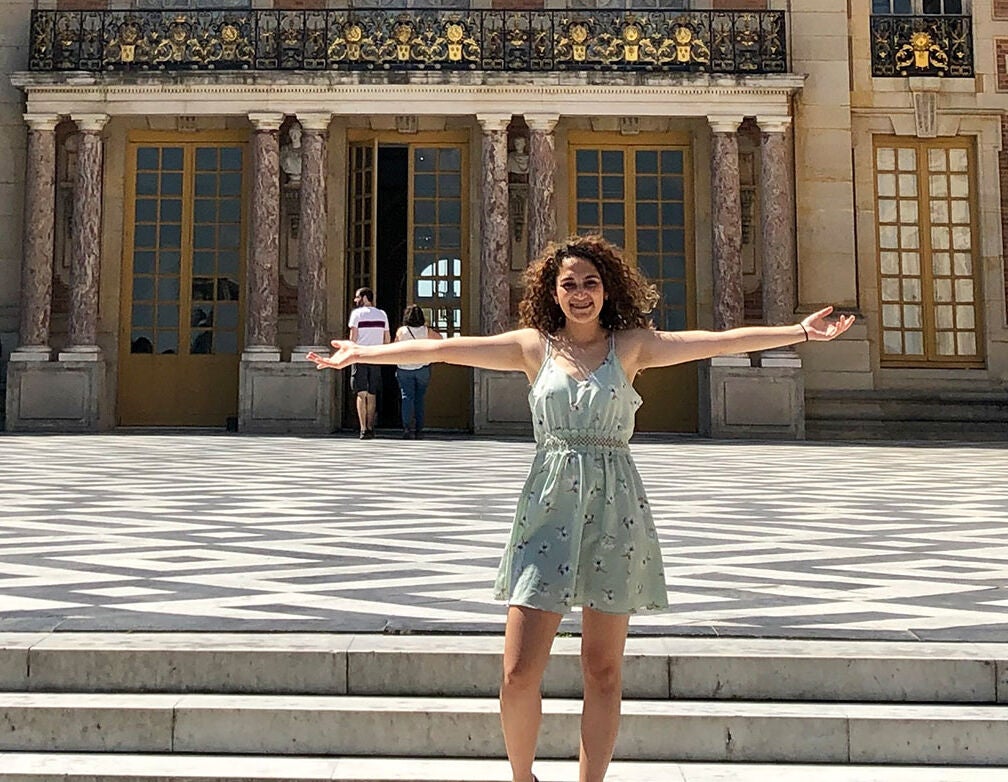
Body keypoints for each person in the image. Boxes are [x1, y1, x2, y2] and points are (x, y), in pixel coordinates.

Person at [308, 236, 854, 782]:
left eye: (590, 282)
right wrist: (365, 353)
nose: (580, 293)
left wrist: (801, 332)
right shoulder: (532, 348)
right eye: (568, 283)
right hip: (547, 509)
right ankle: (524, 778)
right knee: (518, 672)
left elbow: (715, 341)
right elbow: (442, 348)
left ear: (607, 288)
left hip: (616, 511)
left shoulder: (632, 347)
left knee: (603, 669)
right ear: (552, 291)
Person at [346, 287, 391, 440]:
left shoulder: (356, 314)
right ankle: (371, 427)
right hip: (376, 357)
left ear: (365, 297)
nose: (355, 300)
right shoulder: (382, 314)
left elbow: (353, 338)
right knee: (372, 394)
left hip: (360, 356)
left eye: (357, 297)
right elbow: (387, 339)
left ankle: (363, 428)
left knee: (361, 393)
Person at [394, 304, 443, 439]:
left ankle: (407, 428)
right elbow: (441, 340)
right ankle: (419, 429)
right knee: (419, 398)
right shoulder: (426, 331)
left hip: (404, 368)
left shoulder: (402, 331)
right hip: (422, 367)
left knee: (407, 398)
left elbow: (394, 346)